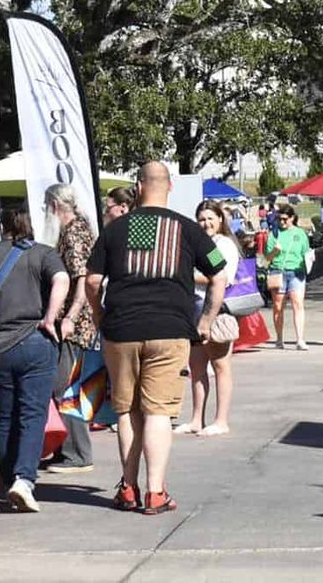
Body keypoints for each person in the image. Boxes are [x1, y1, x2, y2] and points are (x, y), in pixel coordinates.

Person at [85, 161, 227, 515]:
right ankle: (156, 492)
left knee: (126, 409)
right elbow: (219, 273)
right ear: (170, 188)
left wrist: (100, 315)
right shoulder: (189, 229)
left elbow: (91, 281)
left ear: (137, 187)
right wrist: (206, 319)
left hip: (121, 330)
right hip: (171, 328)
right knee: (159, 411)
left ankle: (128, 488)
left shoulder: (116, 230)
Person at [0, 205, 68, 513]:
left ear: (2, 227)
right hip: (35, 340)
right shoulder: (44, 254)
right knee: (33, 413)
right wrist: (50, 317)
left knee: (6, 413)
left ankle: (8, 475)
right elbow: (62, 280)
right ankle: (25, 479)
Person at [42, 183, 97, 475]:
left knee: (66, 386)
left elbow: (82, 277)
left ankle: (78, 453)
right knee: (63, 385)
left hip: (75, 324)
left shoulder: (74, 232)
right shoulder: (78, 228)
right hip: (76, 321)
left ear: (55, 205)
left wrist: (71, 316)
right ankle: (68, 449)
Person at [178, 201, 241, 436]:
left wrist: (187, 275)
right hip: (194, 311)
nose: (206, 223)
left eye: (210, 218)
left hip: (216, 311)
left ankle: (221, 420)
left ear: (220, 219)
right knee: (197, 367)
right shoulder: (200, 244)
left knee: (220, 366)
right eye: (202, 219)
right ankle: (196, 419)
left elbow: (222, 277)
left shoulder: (223, 245)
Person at [264, 203, 311, 350]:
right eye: (279, 219)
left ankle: (300, 339)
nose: (282, 222)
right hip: (278, 271)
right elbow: (267, 258)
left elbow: (306, 252)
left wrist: (309, 260)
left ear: (292, 218)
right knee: (278, 306)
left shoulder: (300, 234)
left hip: (296, 271)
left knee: (298, 304)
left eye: (285, 219)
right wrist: (275, 252)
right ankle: (279, 338)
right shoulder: (274, 234)